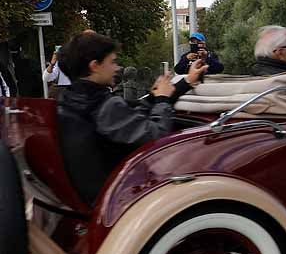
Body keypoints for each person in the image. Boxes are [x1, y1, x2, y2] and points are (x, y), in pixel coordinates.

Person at [56, 32, 206, 204]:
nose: (116, 68)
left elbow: (131, 114)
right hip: (119, 197)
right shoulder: (103, 106)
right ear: (94, 66)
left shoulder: (71, 99)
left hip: (95, 192)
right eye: (112, 62)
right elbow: (157, 139)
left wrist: (184, 82)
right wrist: (162, 100)